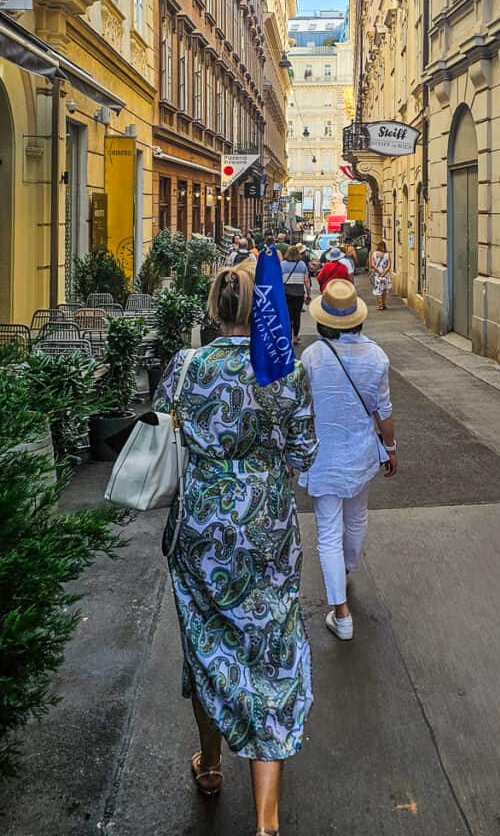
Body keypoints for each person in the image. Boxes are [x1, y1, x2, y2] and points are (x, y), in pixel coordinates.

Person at [153, 262, 318, 836]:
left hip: (199, 529)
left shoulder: (187, 365)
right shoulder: (281, 369)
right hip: (266, 532)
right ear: (259, 311)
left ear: (212, 309)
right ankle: (267, 822)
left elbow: (164, 426)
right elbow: (304, 455)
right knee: (269, 651)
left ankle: (212, 766)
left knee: (206, 644)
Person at [300, 279, 397, 641]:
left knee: (328, 531)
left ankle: (341, 614)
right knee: (356, 517)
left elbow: (301, 409)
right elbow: (383, 410)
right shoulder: (377, 356)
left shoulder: (311, 357)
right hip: (360, 454)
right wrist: (391, 447)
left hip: (322, 456)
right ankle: (348, 569)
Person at [282, 245, 312, 345]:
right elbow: (306, 281)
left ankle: (288, 336)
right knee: (296, 316)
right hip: (299, 294)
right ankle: (295, 337)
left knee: (288, 316)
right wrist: (308, 294)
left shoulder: (282, 264)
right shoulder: (302, 264)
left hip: (286, 294)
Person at [369, 241, 392, 311]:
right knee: (384, 289)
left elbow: (372, 265)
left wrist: (379, 271)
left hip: (377, 274)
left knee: (378, 290)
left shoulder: (374, 254)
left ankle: (380, 305)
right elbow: (389, 265)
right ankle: (384, 304)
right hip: (385, 275)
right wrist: (384, 272)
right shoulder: (387, 254)